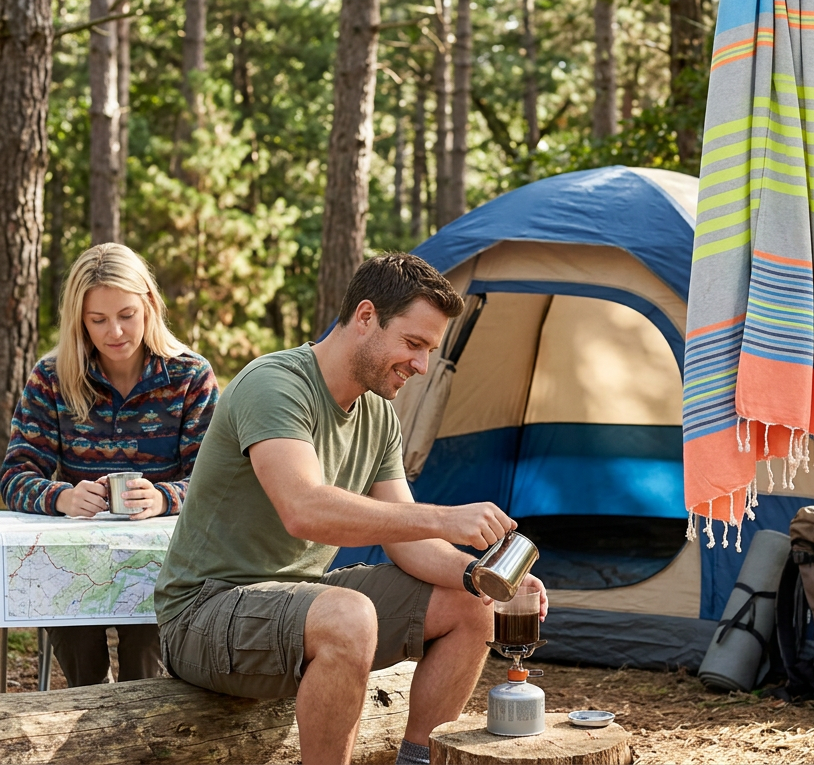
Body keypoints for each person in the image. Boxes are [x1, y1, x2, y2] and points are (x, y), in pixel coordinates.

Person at [155, 252, 547, 765]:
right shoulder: (274, 384)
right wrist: (444, 517)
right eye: (413, 343)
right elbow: (304, 508)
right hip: (204, 613)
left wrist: (482, 576)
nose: (422, 366)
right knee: (349, 615)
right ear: (365, 317)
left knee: (470, 603)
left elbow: (410, 545)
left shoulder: (379, 416)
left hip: (299, 601)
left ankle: (417, 760)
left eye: (429, 350)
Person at [0, 243, 218, 686]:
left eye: (126, 315)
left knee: (146, 657)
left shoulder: (190, 376)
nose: (114, 332)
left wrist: (164, 498)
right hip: (75, 561)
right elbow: (15, 475)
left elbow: (216, 481)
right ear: (79, 320)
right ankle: (91, 712)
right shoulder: (52, 378)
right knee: (75, 639)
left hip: (165, 563)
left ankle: (143, 722)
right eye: (97, 320)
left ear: (149, 304)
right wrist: (62, 497)